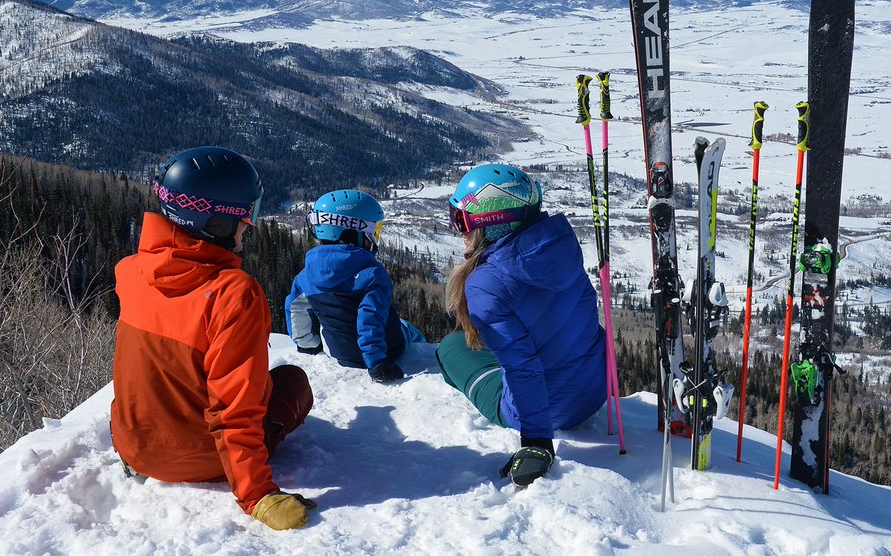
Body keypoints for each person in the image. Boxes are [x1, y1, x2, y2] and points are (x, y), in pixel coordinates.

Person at [111, 146, 316, 531]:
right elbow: (234, 407)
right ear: (215, 223)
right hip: (202, 459)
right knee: (292, 383)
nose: (250, 227)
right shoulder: (234, 293)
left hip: (133, 447)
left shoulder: (130, 271)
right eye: (245, 216)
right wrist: (257, 494)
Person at [435, 164, 606, 487]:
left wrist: (537, 442)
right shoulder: (560, 245)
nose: (459, 232)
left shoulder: (486, 283)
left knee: (450, 346)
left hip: (554, 411)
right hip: (594, 390)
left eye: (461, 221)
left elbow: (521, 367)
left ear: (489, 222)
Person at [285, 189, 422, 382]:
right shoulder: (372, 273)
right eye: (374, 231)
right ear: (353, 230)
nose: (375, 237)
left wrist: (308, 345)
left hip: (342, 355)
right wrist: (376, 364)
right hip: (385, 353)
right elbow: (370, 319)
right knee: (409, 329)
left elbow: (295, 307)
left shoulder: (305, 277)